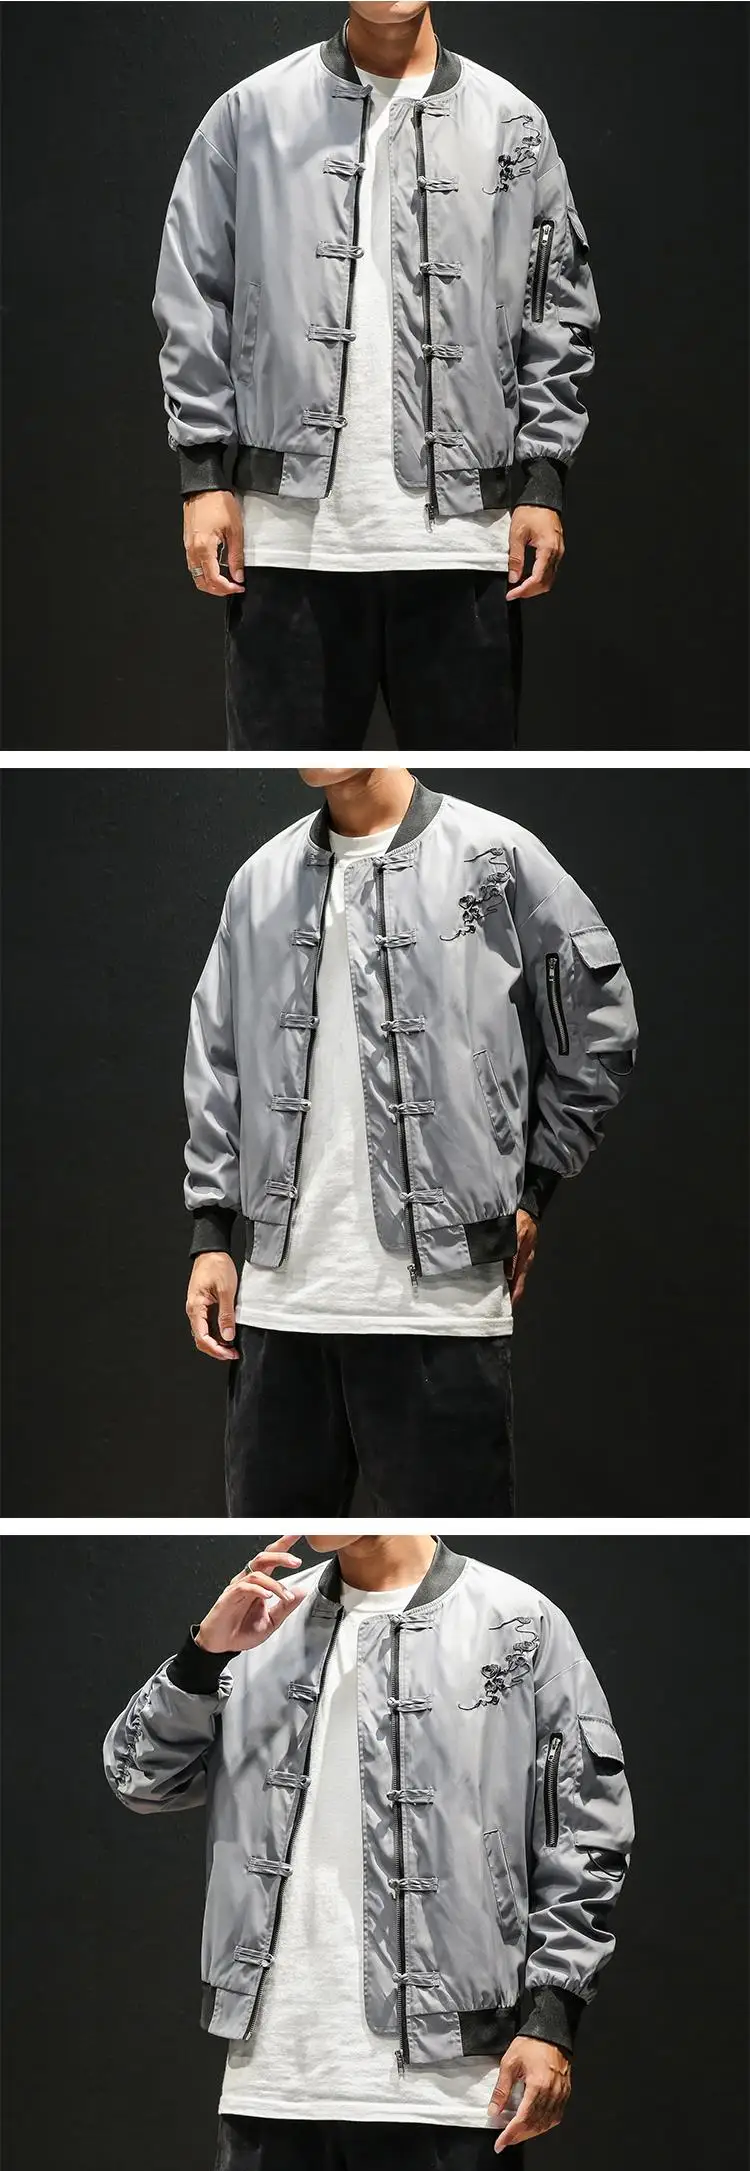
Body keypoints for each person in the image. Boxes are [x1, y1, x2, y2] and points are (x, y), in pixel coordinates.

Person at [105, 1523, 633, 2171]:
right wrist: (204, 1655)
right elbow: (139, 1779)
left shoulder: (516, 1621)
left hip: (450, 2091)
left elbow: (584, 1830)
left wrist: (551, 2016)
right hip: (270, 2088)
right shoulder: (263, 1620)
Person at [183, 762, 638, 1512]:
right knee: (283, 1555)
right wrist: (211, 1232)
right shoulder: (258, 882)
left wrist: (536, 1187)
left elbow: (598, 1022)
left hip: (444, 1309)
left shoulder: (494, 857)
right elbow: (215, 1056)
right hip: (276, 1311)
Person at [154, 9, 599, 754]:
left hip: (467, 538)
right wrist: (203, 474)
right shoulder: (250, 115)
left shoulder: (512, 122)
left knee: (469, 773)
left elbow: (555, 308)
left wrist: (543, 480)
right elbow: (194, 291)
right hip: (289, 539)